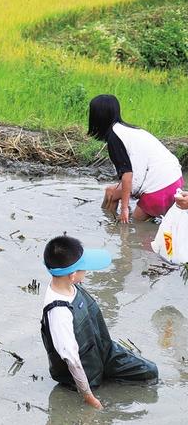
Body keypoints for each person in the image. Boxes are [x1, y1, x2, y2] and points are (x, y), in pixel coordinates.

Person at [40, 235, 158, 409]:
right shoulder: (59, 312)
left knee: (150, 372)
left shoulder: (71, 285)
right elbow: (72, 360)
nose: (87, 271)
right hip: (86, 369)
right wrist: (89, 397)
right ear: (73, 275)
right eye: (85, 268)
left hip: (103, 349)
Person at [87, 94, 183, 223]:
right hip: (175, 181)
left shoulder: (115, 137)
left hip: (159, 189)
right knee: (110, 192)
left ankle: (115, 229)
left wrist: (124, 208)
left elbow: (127, 174)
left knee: (133, 225)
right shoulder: (128, 130)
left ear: (97, 116)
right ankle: (108, 223)